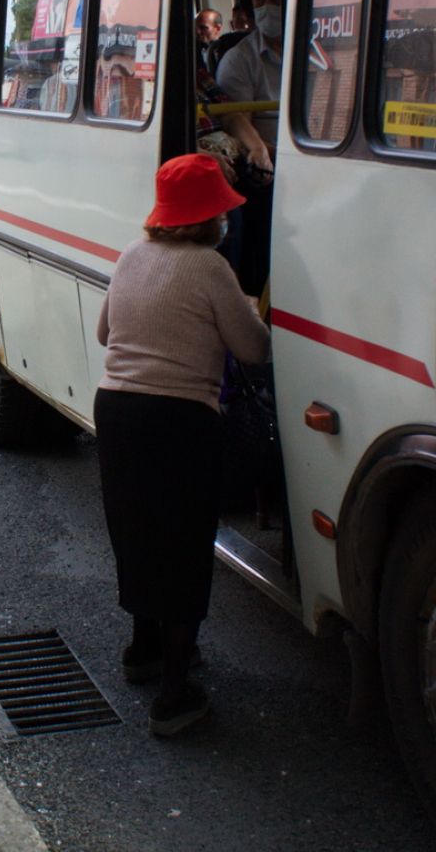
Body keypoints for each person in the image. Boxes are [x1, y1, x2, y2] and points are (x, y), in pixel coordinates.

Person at [95, 154, 270, 738]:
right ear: (211, 217)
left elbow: (105, 332)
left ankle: (142, 649)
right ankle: (174, 693)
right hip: (179, 421)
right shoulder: (210, 267)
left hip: (117, 411)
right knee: (184, 546)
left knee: (137, 532)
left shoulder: (131, 256)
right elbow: (252, 351)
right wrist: (246, 312)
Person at [214, 0, 285, 296]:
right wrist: (261, 150)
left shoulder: (324, 49)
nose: (268, 8)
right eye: (260, 1)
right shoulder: (239, 60)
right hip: (272, 168)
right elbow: (236, 120)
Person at [194, 9, 224, 77]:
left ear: (218, 28)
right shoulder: (192, 52)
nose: (198, 32)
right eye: (195, 28)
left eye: (203, 28)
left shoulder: (227, 52)